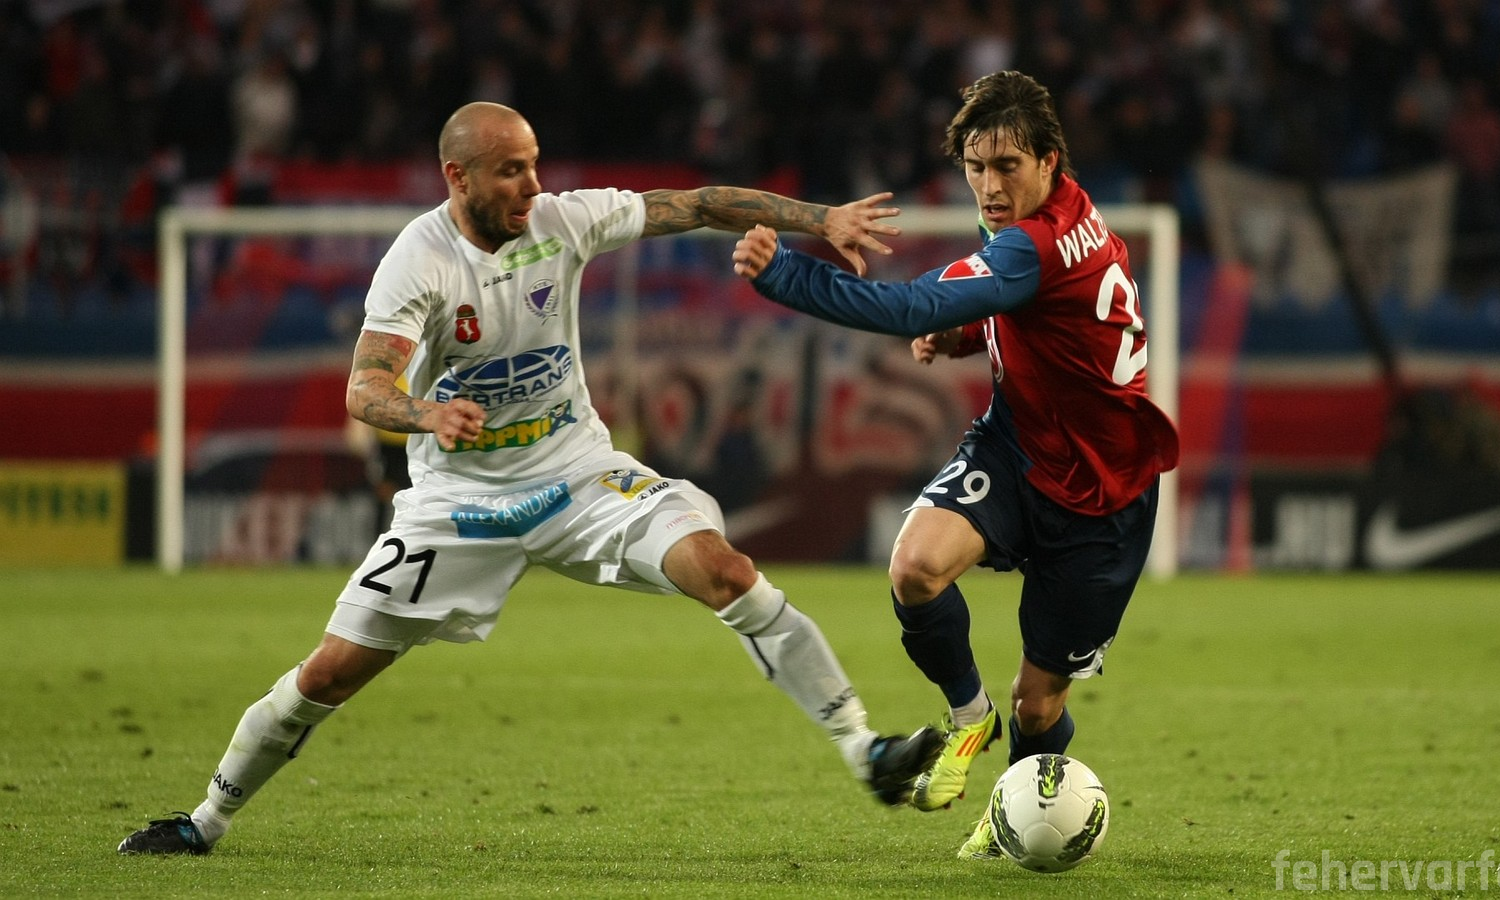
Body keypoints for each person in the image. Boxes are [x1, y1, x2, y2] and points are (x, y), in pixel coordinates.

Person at [118, 101, 943, 856]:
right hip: (459, 504)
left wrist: (819, 218)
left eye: (534, 164)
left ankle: (861, 748)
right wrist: (425, 413)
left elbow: (694, 204)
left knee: (724, 570)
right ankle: (206, 819)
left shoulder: (561, 221)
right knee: (330, 672)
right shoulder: (419, 261)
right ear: (458, 176)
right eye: (510, 170)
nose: (532, 185)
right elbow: (363, 389)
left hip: (578, 477)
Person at [731, 71, 1179, 860]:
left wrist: (783, 272)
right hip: (1017, 445)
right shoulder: (1050, 219)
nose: (989, 187)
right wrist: (967, 334)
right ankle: (969, 717)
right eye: (975, 167)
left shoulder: (1037, 243)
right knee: (915, 568)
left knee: (1037, 706)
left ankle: (1014, 817)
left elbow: (909, 304)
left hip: (1100, 497)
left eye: (1006, 166)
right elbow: (1045, 315)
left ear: (1048, 161)